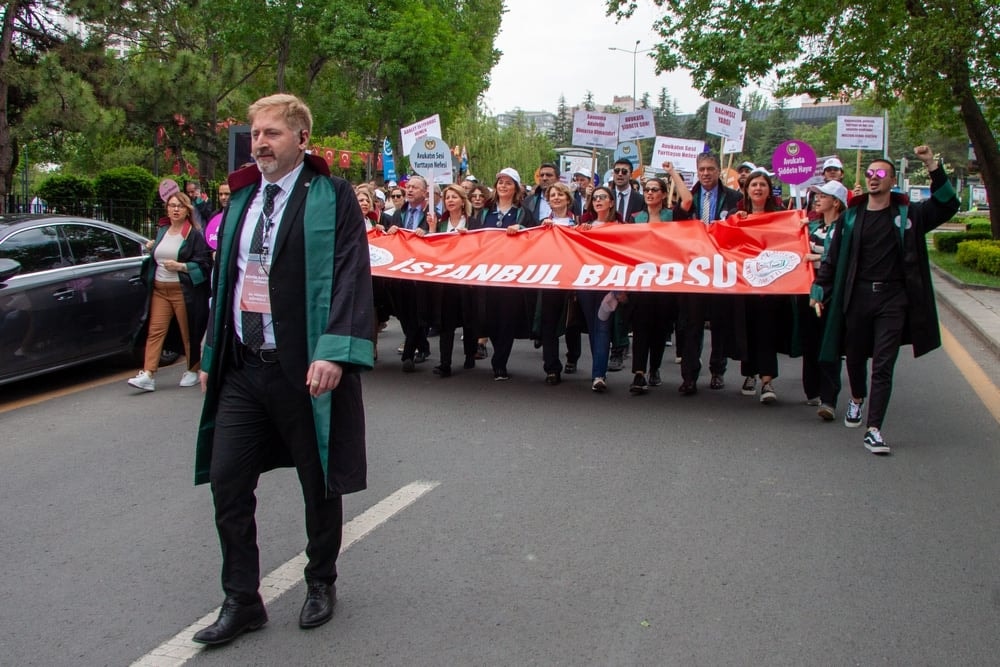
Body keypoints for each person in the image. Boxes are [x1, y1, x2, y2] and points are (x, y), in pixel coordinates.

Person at [193, 93, 374, 645]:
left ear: (301, 138)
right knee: (227, 481)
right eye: (256, 134)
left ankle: (321, 579)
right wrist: (209, 351)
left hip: (303, 366)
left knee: (317, 481)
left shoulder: (332, 195)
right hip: (245, 366)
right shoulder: (244, 198)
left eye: (272, 133)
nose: (261, 143)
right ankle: (242, 599)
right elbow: (227, 279)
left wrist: (333, 351)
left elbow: (349, 274)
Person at [810, 145, 959, 455]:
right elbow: (833, 259)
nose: (873, 177)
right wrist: (818, 290)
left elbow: (947, 203)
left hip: (893, 300)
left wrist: (932, 163)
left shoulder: (909, 215)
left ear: (893, 180)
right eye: (869, 173)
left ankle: (874, 428)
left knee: (884, 363)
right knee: (853, 355)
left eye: (880, 173)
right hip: (857, 297)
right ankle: (857, 398)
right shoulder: (851, 217)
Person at [672, 152, 742, 395]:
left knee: (720, 322)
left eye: (710, 169)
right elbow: (677, 225)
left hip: (722, 268)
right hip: (694, 269)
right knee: (691, 324)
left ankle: (717, 370)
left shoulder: (733, 198)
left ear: (718, 170)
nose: (706, 173)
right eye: (702, 169)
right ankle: (689, 375)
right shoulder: (688, 198)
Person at [128, 191, 212, 392]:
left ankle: (192, 369)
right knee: (155, 330)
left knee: (188, 331)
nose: (175, 210)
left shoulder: (193, 235)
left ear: (187, 210)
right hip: (159, 289)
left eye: (180, 206)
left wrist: (181, 266)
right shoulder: (162, 231)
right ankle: (148, 374)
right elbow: (157, 255)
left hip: (182, 291)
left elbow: (204, 264)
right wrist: (152, 248)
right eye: (172, 205)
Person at [627, 164, 692, 394]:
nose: (650, 193)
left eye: (655, 189)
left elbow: (687, 200)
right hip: (642, 281)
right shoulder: (635, 218)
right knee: (641, 327)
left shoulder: (672, 215)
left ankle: (654, 368)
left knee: (660, 329)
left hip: (666, 282)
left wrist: (673, 173)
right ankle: (639, 374)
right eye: (647, 190)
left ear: (664, 194)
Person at [470, 167, 537, 380]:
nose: (503, 186)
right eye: (500, 182)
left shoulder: (523, 213)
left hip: (510, 275)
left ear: (515, 188)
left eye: (508, 183)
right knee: (488, 318)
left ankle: (500, 361)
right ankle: (497, 351)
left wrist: (522, 231)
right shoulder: (484, 212)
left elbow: (534, 238)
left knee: (507, 317)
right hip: (487, 273)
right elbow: (474, 238)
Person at [735, 169, 790, 404]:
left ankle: (767, 380)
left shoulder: (780, 218)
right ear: (747, 191)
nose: (758, 188)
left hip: (771, 284)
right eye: (753, 185)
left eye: (762, 185)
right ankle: (749, 374)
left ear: (769, 191)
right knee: (747, 330)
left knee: (767, 331)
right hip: (745, 284)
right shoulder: (739, 217)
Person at [800, 180, 848, 419]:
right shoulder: (813, 228)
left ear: (836, 203)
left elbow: (839, 258)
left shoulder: (845, 228)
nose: (817, 200)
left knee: (830, 346)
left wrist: (815, 258)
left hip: (832, 296)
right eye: (816, 196)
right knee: (811, 343)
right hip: (808, 294)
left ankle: (829, 399)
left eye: (823, 196)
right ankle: (812, 390)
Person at [421, 184, 479, 376]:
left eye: (454, 197)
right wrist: (430, 230)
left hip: (466, 280)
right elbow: (432, 249)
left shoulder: (473, 223)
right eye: (447, 198)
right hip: (445, 281)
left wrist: (469, 238)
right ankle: (444, 363)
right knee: (446, 323)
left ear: (463, 201)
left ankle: (470, 355)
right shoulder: (440, 224)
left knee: (469, 320)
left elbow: (481, 248)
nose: (450, 201)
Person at [576, 185, 623, 392]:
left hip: (609, 284)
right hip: (587, 283)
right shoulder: (584, 224)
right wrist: (580, 232)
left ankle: (598, 375)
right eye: (595, 198)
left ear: (611, 202)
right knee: (593, 328)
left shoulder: (621, 226)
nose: (598, 200)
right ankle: (599, 368)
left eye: (603, 197)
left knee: (603, 326)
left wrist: (621, 288)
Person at [537, 181, 581, 385]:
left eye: (560, 194)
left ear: (567, 198)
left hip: (573, 278)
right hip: (550, 278)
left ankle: (573, 357)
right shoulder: (542, 224)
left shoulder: (578, 223)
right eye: (552, 195)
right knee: (549, 324)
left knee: (572, 322)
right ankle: (552, 367)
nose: (556, 198)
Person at [387, 175, 432, 370]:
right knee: (404, 313)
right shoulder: (399, 214)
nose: (410, 190)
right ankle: (422, 345)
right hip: (401, 271)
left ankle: (408, 355)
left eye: (415, 187)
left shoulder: (431, 214)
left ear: (424, 192)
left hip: (421, 271)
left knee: (416, 311)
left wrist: (428, 230)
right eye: (408, 187)